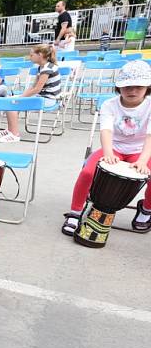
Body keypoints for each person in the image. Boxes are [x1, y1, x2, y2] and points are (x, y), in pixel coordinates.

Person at [62, 60, 151, 235]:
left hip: (140, 151)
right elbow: (106, 131)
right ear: (119, 87)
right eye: (127, 87)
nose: (132, 91)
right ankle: (75, 211)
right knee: (87, 172)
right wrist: (109, 153)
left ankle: (147, 208)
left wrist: (142, 161)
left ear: (147, 87)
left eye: (138, 87)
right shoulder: (109, 105)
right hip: (114, 148)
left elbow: (150, 136)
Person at [0, 44, 61, 143]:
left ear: (40, 55)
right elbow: (33, 87)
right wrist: (21, 96)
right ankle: (10, 130)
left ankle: (15, 135)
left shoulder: (47, 68)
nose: (30, 57)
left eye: (31, 55)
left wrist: (20, 97)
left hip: (48, 100)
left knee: (12, 103)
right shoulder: (42, 67)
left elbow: (37, 89)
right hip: (40, 97)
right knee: (9, 99)